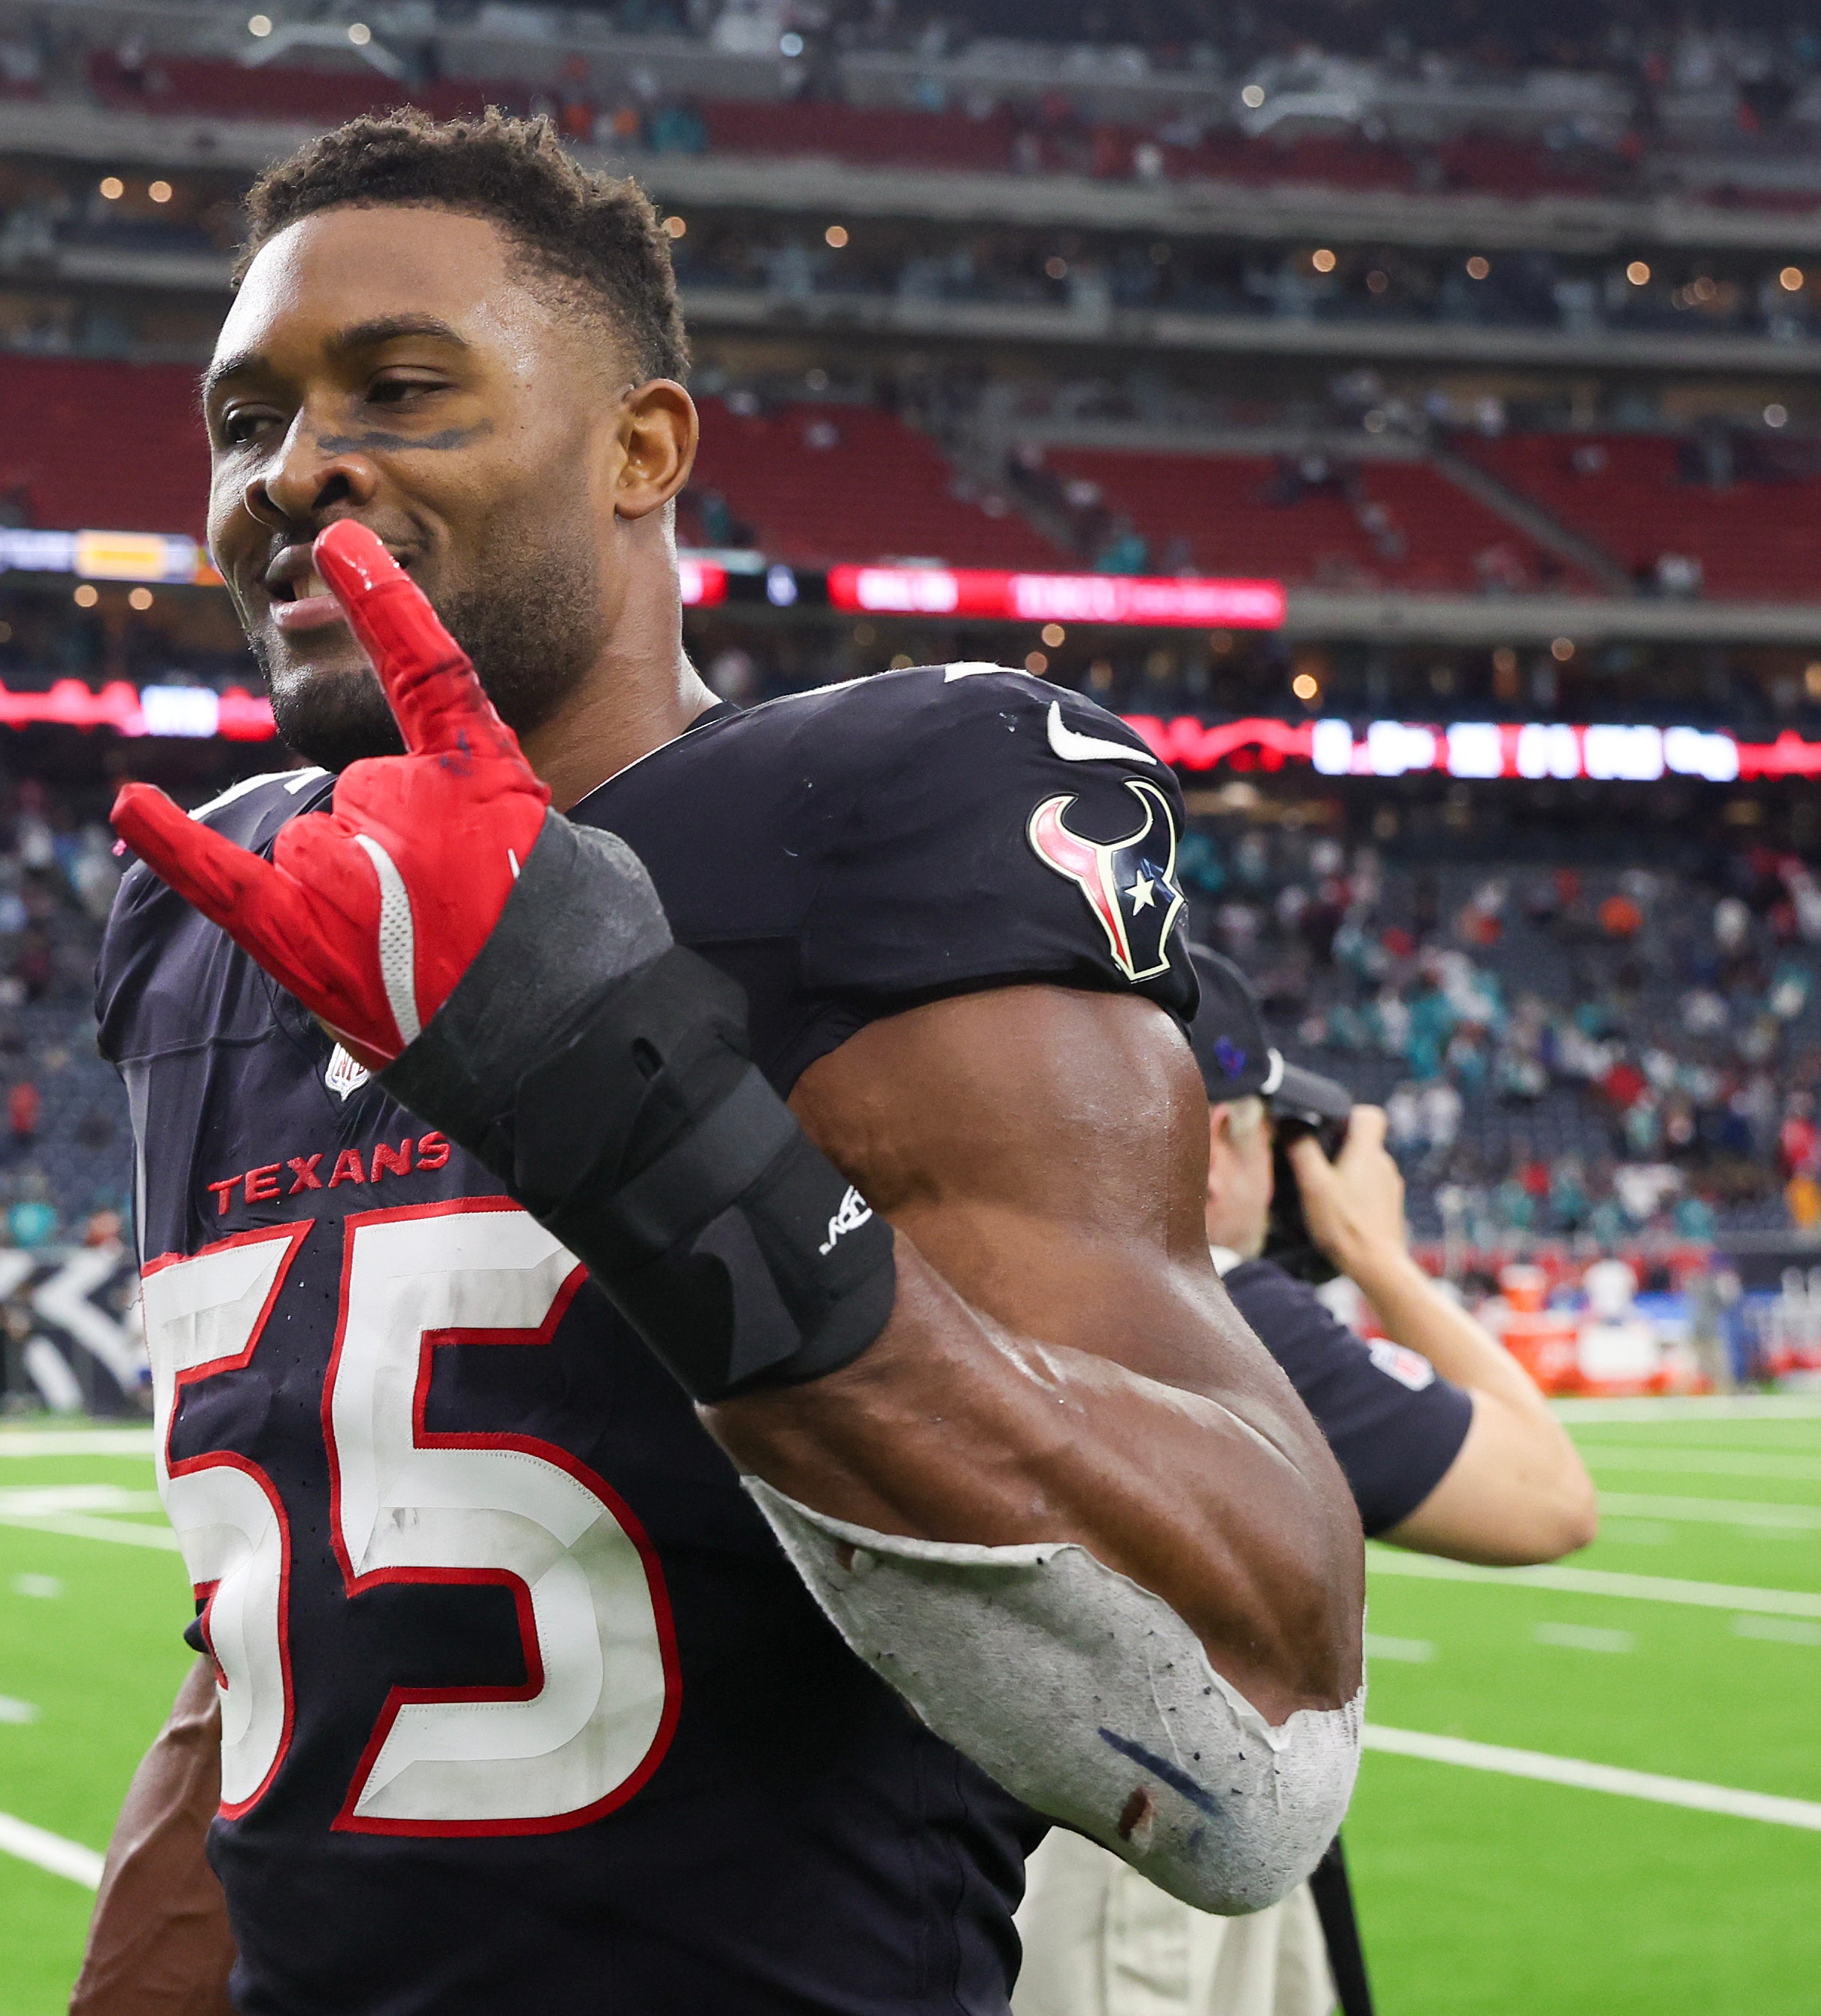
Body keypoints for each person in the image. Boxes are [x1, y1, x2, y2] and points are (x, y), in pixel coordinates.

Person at [77, 112, 1363, 2016]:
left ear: (641, 448)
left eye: (400, 390)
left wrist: (615, 1098)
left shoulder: (873, 821)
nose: (296, 470)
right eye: (243, 418)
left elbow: (1255, 1732)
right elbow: (270, 1656)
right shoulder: (217, 924)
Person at [1013, 949, 1598, 2016]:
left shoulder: (989, 1272)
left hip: (991, 1861)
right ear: (1220, 1143)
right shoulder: (1223, 1314)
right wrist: (1375, 1250)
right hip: (1148, 1872)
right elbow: (1551, 1498)